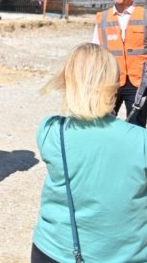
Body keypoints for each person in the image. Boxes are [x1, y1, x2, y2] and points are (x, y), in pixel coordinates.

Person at [32, 43, 147, 262]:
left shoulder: (50, 130)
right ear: (113, 86)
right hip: (123, 256)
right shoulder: (141, 141)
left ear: (67, 82)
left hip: (51, 250)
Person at [92, 0, 147, 127]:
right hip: (110, 81)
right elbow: (96, 53)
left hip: (138, 84)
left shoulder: (144, 16)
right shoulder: (102, 18)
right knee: (103, 124)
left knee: (136, 128)